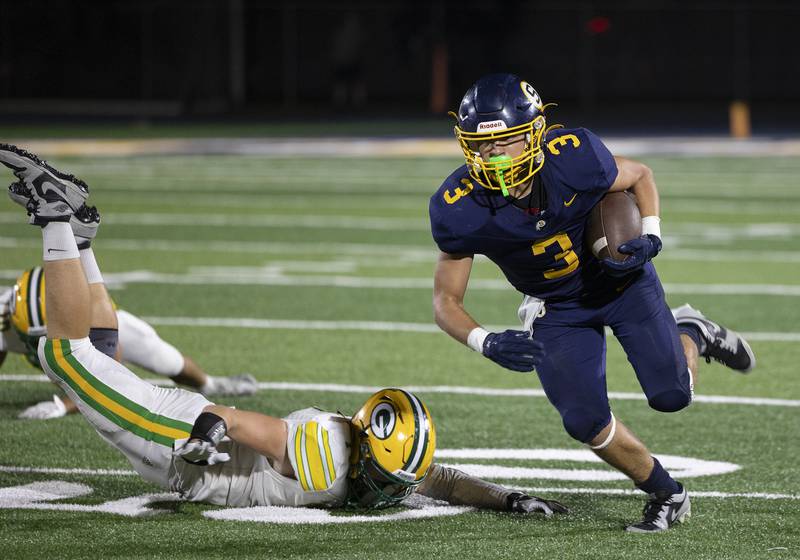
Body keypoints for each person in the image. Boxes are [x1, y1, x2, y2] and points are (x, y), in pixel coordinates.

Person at [0, 143, 568, 515]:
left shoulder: (375, 453)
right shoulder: (325, 449)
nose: (392, 491)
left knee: (100, 362)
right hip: (174, 443)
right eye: (387, 479)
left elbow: (441, 480)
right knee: (67, 359)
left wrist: (510, 498)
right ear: (364, 446)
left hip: (182, 442)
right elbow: (233, 418)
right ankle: (56, 216)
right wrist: (202, 436)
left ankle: (79, 241)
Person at [429, 74, 756, 532]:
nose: (493, 157)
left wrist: (653, 234)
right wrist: (484, 341)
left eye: (505, 143)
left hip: (622, 283)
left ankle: (692, 332)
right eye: (481, 147)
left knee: (672, 396)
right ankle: (666, 492)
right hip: (556, 305)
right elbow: (445, 300)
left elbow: (640, 175)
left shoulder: (573, 156)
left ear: (534, 135)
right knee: (583, 419)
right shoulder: (458, 205)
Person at [1, 266, 258, 420]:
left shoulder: (87, 309)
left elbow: (107, 367)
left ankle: (209, 383)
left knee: (169, 360)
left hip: (98, 338)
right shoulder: (4, 317)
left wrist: (62, 406)